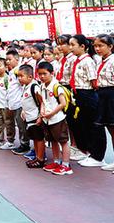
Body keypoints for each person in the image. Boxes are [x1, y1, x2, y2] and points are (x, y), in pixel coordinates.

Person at [70, 34, 107, 168]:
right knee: (84, 124)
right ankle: (90, 152)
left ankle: (98, 156)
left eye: (72, 45)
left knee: (94, 125)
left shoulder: (88, 61)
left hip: (88, 94)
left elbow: (93, 81)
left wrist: (91, 95)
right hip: (79, 93)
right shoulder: (78, 60)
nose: (70, 48)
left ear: (82, 46)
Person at [37, 62, 72, 175]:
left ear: (52, 73)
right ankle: (56, 162)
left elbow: (62, 103)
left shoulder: (57, 87)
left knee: (63, 141)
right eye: (40, 74)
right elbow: (43, 101)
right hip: (47, 119)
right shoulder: (42, 86)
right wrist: (42, 111)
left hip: (57, 118)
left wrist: (51, 113)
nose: (42, 76)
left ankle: (66, 165)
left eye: (45, 74)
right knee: (53, 141)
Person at [18, 64, 45, 168]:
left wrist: (40, 116)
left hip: (35, 117)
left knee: (39, 138)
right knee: (34, 138)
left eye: (21, 76)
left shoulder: (35, 87)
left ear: (30, 77)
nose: (19, 78)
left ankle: (41, 159)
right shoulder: (26, 86)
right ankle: (37, 157)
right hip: (29, 117)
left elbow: (42, 102)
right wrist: (23, 111)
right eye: (18, 76)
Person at [93, 34, 114, 171]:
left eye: (101, 46)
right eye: (95, 46)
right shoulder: (100, 60)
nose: (97, 49)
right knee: (110, 128)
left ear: (110, 46)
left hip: (112, 94)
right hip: (102, 95)